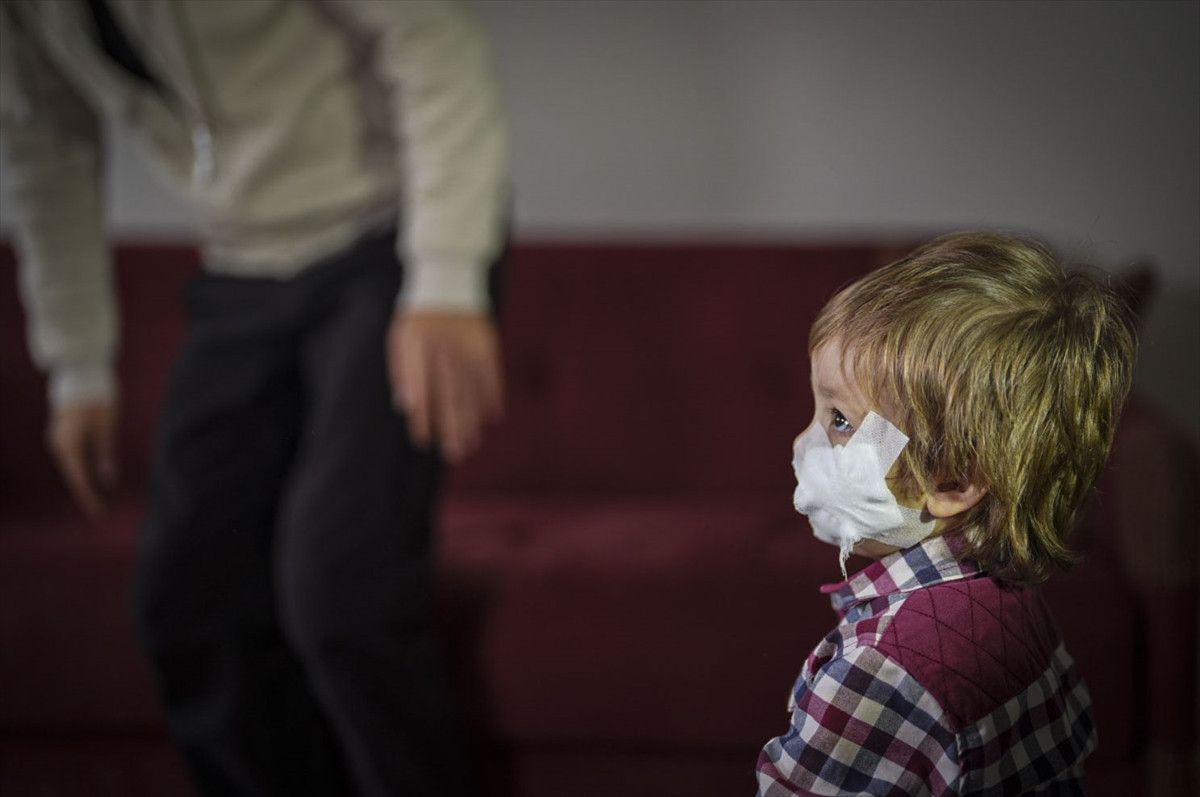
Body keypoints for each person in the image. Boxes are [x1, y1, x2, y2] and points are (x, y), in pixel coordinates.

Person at [0, 1, 508, 794]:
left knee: (341, 595)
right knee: (186, 601)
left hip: (388, 243)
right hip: (243, 267)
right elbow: (46, 143)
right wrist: (78, 365)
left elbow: (430, 36)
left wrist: (445, 277)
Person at [757, 232, 1136, 795]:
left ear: (953, 480)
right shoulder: (1014, 601)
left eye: (839, 420)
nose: (801, 441)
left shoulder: (878, 670)